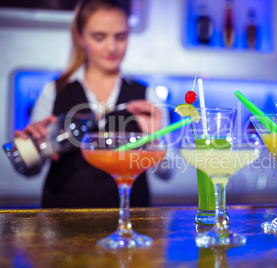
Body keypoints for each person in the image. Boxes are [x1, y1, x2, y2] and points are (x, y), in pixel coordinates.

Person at [14, 0, 169, 208]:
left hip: (131, 221)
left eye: (121, 37)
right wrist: (30, 147)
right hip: (64, 221)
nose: (112, 47)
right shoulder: (54, 92)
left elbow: (167, 173)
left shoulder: (147, 96)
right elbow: (30, 171)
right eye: (99, 37)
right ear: (80, 36)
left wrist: (154, 139)